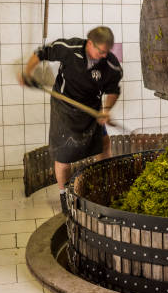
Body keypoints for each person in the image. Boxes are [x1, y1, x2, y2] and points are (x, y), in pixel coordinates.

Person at [19, 26, 123, 213]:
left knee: (104, 143)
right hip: (64, 108)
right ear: (89, 43)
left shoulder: (111, 64)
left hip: (91, 109)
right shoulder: (69, 48)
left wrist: (106, 109)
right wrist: (28, 72)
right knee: (64, 155)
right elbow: (41, 53)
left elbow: (114, 90)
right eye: (100, 51)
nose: (103, 56)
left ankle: (105, 184)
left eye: (106, 52)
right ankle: (64, 195)